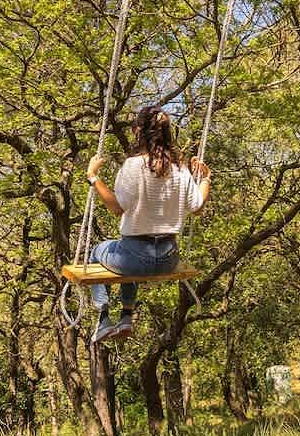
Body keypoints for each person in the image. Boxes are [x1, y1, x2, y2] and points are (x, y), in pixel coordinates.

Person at [85, 106, 212, 344]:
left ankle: (103, 319)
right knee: (124, 252)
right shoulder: (180, 169)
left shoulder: (134, 166)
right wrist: (206, 179)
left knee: (99, 251)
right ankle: (126, 316)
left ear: (137, 132)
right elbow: (197, 207)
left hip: (134, 257)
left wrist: (93, 177)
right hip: (168, 258)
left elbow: (116, 208)